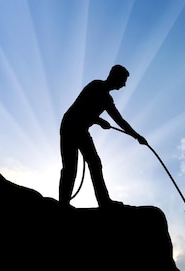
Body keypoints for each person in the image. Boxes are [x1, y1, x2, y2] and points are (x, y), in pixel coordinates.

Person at [58, 64, 146, 208]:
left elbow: (120, 120)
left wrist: (136, 136)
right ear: (115, 77)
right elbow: (81, 109)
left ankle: (103, 201)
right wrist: (99, 120)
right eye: (123, 80)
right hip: (70, 125)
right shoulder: (96, 86)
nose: (124, 85)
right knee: (71, 166)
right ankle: (64, 203)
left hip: (80, 129)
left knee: (94, 163)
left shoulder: (107, 99)